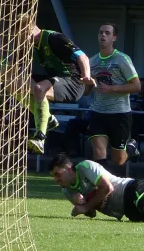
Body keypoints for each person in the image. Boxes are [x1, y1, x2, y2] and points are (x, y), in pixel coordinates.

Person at [15, 15, 93, 155]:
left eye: (18, 33)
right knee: (15, 82)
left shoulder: (53, 38)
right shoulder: (27, 46)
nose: (17, 38)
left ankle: (40, 137)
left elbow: (82, 56)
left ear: (27, 29)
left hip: (73, 82)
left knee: (40, 88)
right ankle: (48, 118)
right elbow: (18, 69)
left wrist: (86, 76)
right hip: (54, 80)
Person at [84, 23, 141, 175]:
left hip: (120, 114)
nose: (103, 35)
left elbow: (136, 86)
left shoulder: (121, 59)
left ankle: (131, 148)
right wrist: (87, 83)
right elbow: (86, 92)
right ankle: (105, 188)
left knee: (119, 160)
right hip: (98, 112)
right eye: (101, 32)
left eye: (107, 33)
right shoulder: (92, 61)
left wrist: (111, 89)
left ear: (114, 38)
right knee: (98, 151)